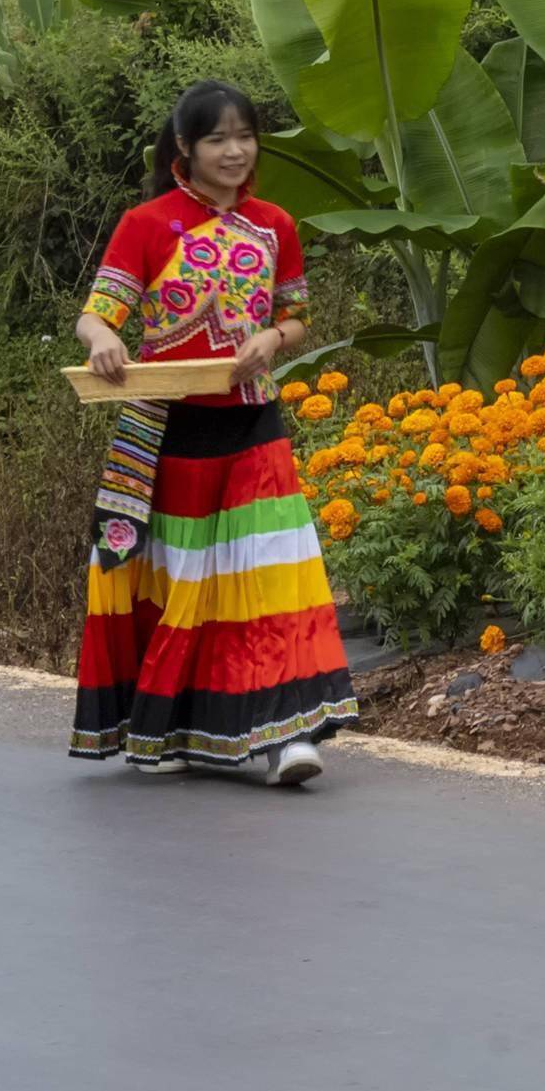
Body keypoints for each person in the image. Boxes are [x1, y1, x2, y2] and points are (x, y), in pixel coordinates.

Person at [68, 83, 356, 785]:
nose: (235, 151)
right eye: (217, 140)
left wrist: (272, 338)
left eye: (246, 136)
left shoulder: (275, 224)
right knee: (185, 582)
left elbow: (296, 317)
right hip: (169, 430)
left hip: (253, 422)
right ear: (186, 150)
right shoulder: (146, 223)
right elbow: (95, 316)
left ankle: (291, 736)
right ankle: (174, 728)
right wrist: (105, 341)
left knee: (271, 575)